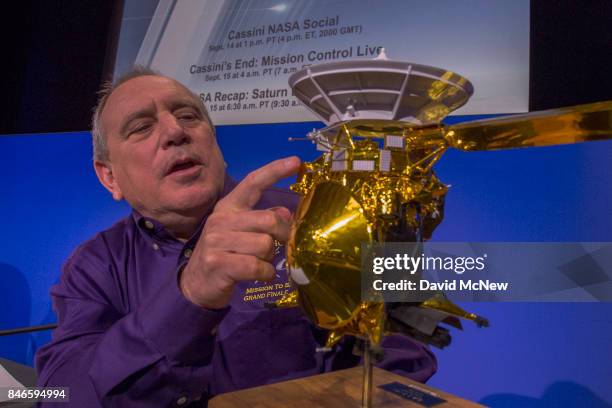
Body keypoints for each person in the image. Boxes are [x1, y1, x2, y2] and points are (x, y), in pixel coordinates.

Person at [35, 68, 437, 407]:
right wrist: (187, 297)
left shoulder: (324, 218)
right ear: (109, 176)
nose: (175, 131)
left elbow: (403, 355)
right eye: (141, 127)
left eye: (189, 117)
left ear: (215, 141)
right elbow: (60, 393)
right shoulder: (95, 264)